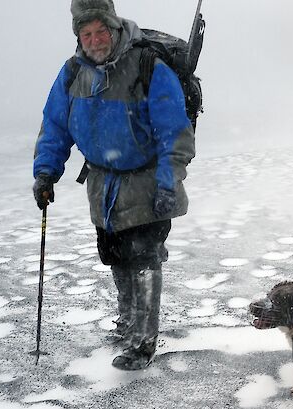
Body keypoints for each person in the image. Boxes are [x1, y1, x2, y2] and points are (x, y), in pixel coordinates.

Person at [32, 0, 195, 370]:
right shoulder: (73, 72)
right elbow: (55, 125)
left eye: (100, 31)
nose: (94, 40)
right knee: (116, 256)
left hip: (146, 181)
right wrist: (46, 172)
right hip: (102, 184)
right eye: (86, 33)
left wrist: (169, 182)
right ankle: (127, 323)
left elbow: (175, 132)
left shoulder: (146, 66)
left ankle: (143, 343)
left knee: (144, 259)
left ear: (114, 28)